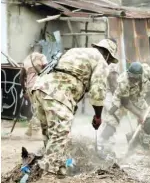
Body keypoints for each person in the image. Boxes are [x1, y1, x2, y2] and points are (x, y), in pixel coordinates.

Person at [31, 38, 118, 175]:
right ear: (107, 54)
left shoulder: (75, 51)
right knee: (61, 130)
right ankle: (49, 173)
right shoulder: (100, 60)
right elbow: (98, 91)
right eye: (109, 60)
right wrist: (98, 116)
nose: (108, 63)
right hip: (56, 93)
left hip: (40, 88)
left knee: (50, 133)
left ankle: (55, 167)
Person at [99, 62, 150, 157]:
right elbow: (126, 103)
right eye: (130, 75)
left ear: (140, 75)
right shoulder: (123, 81)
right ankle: (103, 146)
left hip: (137, 98)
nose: (131, 78)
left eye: (134, 77)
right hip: (120, 101)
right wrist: (139, 114)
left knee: (148, 121)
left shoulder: (145, 69)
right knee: (111, 123)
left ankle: (143, 143)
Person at [20, 43, 48, 136]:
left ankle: (30, 130)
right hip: (40, 86)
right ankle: (33, 130)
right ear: (41, 50)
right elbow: (47, 69)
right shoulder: (42, 57)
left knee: (36, 108)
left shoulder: (27, 59)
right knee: (40, 108)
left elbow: (21, 76)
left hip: (30, 87)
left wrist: (24, 90)